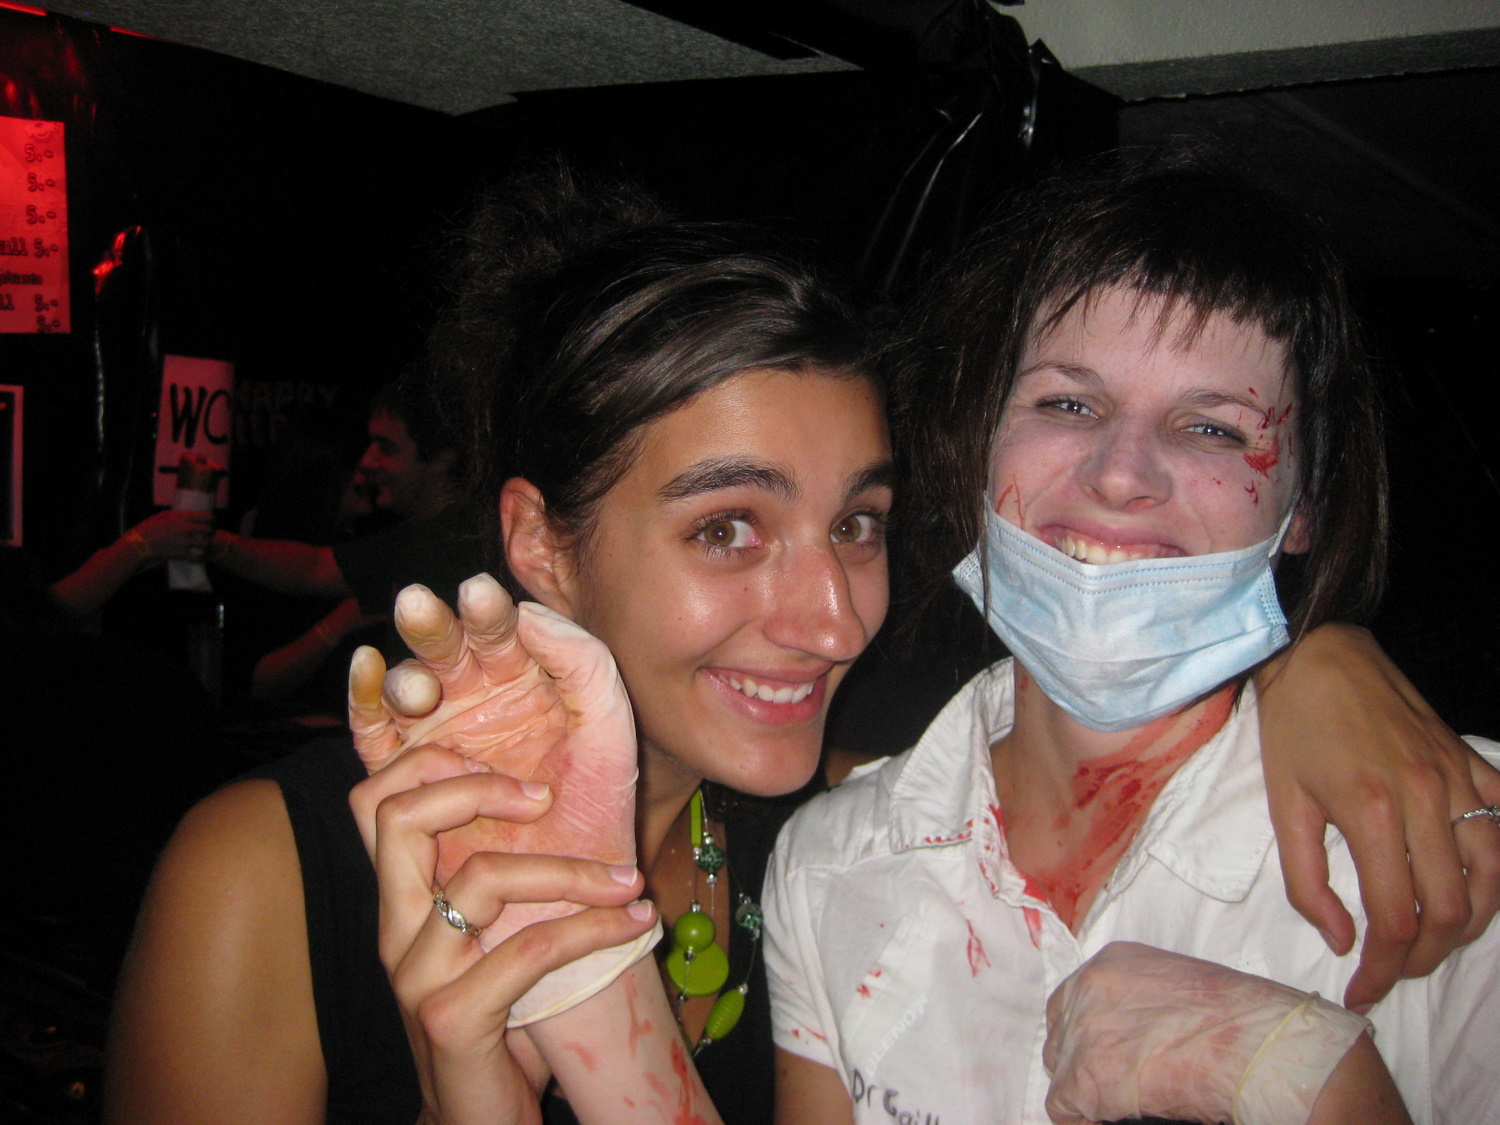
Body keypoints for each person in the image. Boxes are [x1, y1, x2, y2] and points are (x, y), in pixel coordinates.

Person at [104, 169, 1498, 1125]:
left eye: (858, 524)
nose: (836, 621)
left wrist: (1315, 656)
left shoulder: (808, 831)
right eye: (727, 528)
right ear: (538, 541)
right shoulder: (262, 876)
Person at [764, 152, 1500, 1123]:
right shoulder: (827, 865)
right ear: (978, 440)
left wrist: (1311, 1078)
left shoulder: (1463, 845)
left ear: (1304, 507)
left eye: (1214, 430)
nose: (1120, 474)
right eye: (1069, 404)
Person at [208, 380, 486, 667]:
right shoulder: (413, 538)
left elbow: (314, 568)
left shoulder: (469, 541)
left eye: (386, 448)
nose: (366, 461)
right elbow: (314, 567)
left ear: (442, 458)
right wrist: (212, 543)